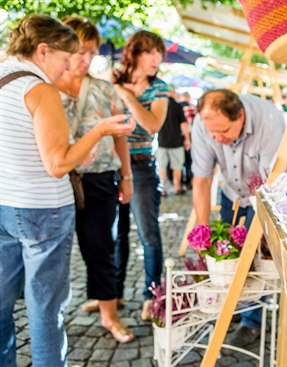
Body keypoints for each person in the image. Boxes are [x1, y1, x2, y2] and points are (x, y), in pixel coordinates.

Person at [0, 14, 133, 367]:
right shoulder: (40, 88)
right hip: (43, 208)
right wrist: (100, 130)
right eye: (65, 58)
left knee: (0, 300)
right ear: (43, 51)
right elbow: (58, 164)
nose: (67, 68)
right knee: (46, 306)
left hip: (5, 204)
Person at [54, 16, 134, 343]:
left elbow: (119, 138)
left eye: (92, 52)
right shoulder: (43, 88)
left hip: (100, 178)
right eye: (80, 51)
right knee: (53, 253)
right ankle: (51, 319)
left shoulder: (103, 89)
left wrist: (126, 177)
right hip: (56, 180)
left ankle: (109, 315)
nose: (86, 59)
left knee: (101, 248)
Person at [190, 89, 285, 346]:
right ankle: (233, 303)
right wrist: (203, 231)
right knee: (227, 252)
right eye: (213, 134)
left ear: (240, 116)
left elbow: (270, 185)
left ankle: (251, 321)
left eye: (224, 132)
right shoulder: (202, 123)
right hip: (230, 191)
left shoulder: (270, 121)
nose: (218, 139)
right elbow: (201, 179)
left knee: (254, 256)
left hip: (265, 193)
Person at [112, 30, 169, 321]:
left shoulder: (159, 88)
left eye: (160, 53)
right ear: (134, 53)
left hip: (143, 168)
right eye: (151, 52)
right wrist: (119, 90)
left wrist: (126, 97)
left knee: (148, 235)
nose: (157, 59)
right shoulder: (112, 80)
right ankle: (114, 295)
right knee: (116, 235)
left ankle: (151, 296)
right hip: (112, 166)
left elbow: (151, 125)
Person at [156, 93, 188, 196]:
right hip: (176, 142)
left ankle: (163, 189)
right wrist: (187, 139)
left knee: (162, 166)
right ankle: (176, 188)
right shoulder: (177, 106)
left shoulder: (158, 105)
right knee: (177, 166)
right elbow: (183, 124)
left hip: (162, 141)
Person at [178, 91, 196, 190]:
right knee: (189, 160)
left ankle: (179, 182)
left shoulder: (177, 107)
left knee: (179, 161)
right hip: (191, 136)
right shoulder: (192, 107)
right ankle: (189, 181)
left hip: (178, 137)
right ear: (188, 97)